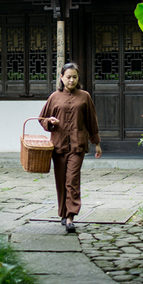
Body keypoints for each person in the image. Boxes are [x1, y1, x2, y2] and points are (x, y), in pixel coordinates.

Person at [39, 62, 102, 233]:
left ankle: (70, 217)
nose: (71, 80)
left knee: (72, 181)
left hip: (77, 145)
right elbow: (42, 118)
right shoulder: (54, 97)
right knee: (61, 181)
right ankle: (63, 212)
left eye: (74, 77)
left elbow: (91, 121)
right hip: (58, 145)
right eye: (68, 77)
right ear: (61, 77)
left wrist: (96, 143)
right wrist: (49, 122)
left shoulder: (84, 97)